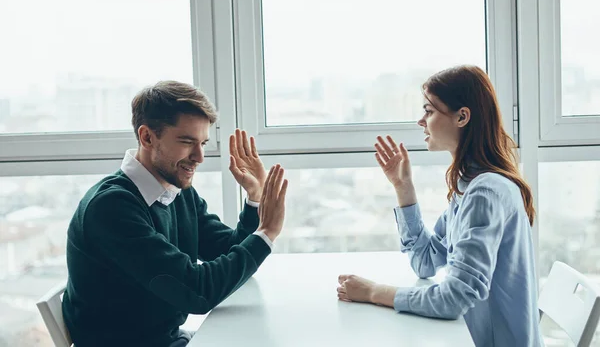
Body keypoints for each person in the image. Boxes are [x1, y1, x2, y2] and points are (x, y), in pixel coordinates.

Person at [62, 81, 288, 347]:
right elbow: (198, 292)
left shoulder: (173, 189)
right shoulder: (112, 207)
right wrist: (267, 232)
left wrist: (255, 199)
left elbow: (226, 250)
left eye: (203, 142)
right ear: (147, 137)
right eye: (187, 142)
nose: (200, 156)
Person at [336, 65, 543, 346]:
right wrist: (403, 188)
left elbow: (454, 299)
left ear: (462, 117)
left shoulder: (485, 193)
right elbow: (425, 262)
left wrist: (374, 292)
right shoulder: (467, 186)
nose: (421, 121)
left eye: (429, 111)